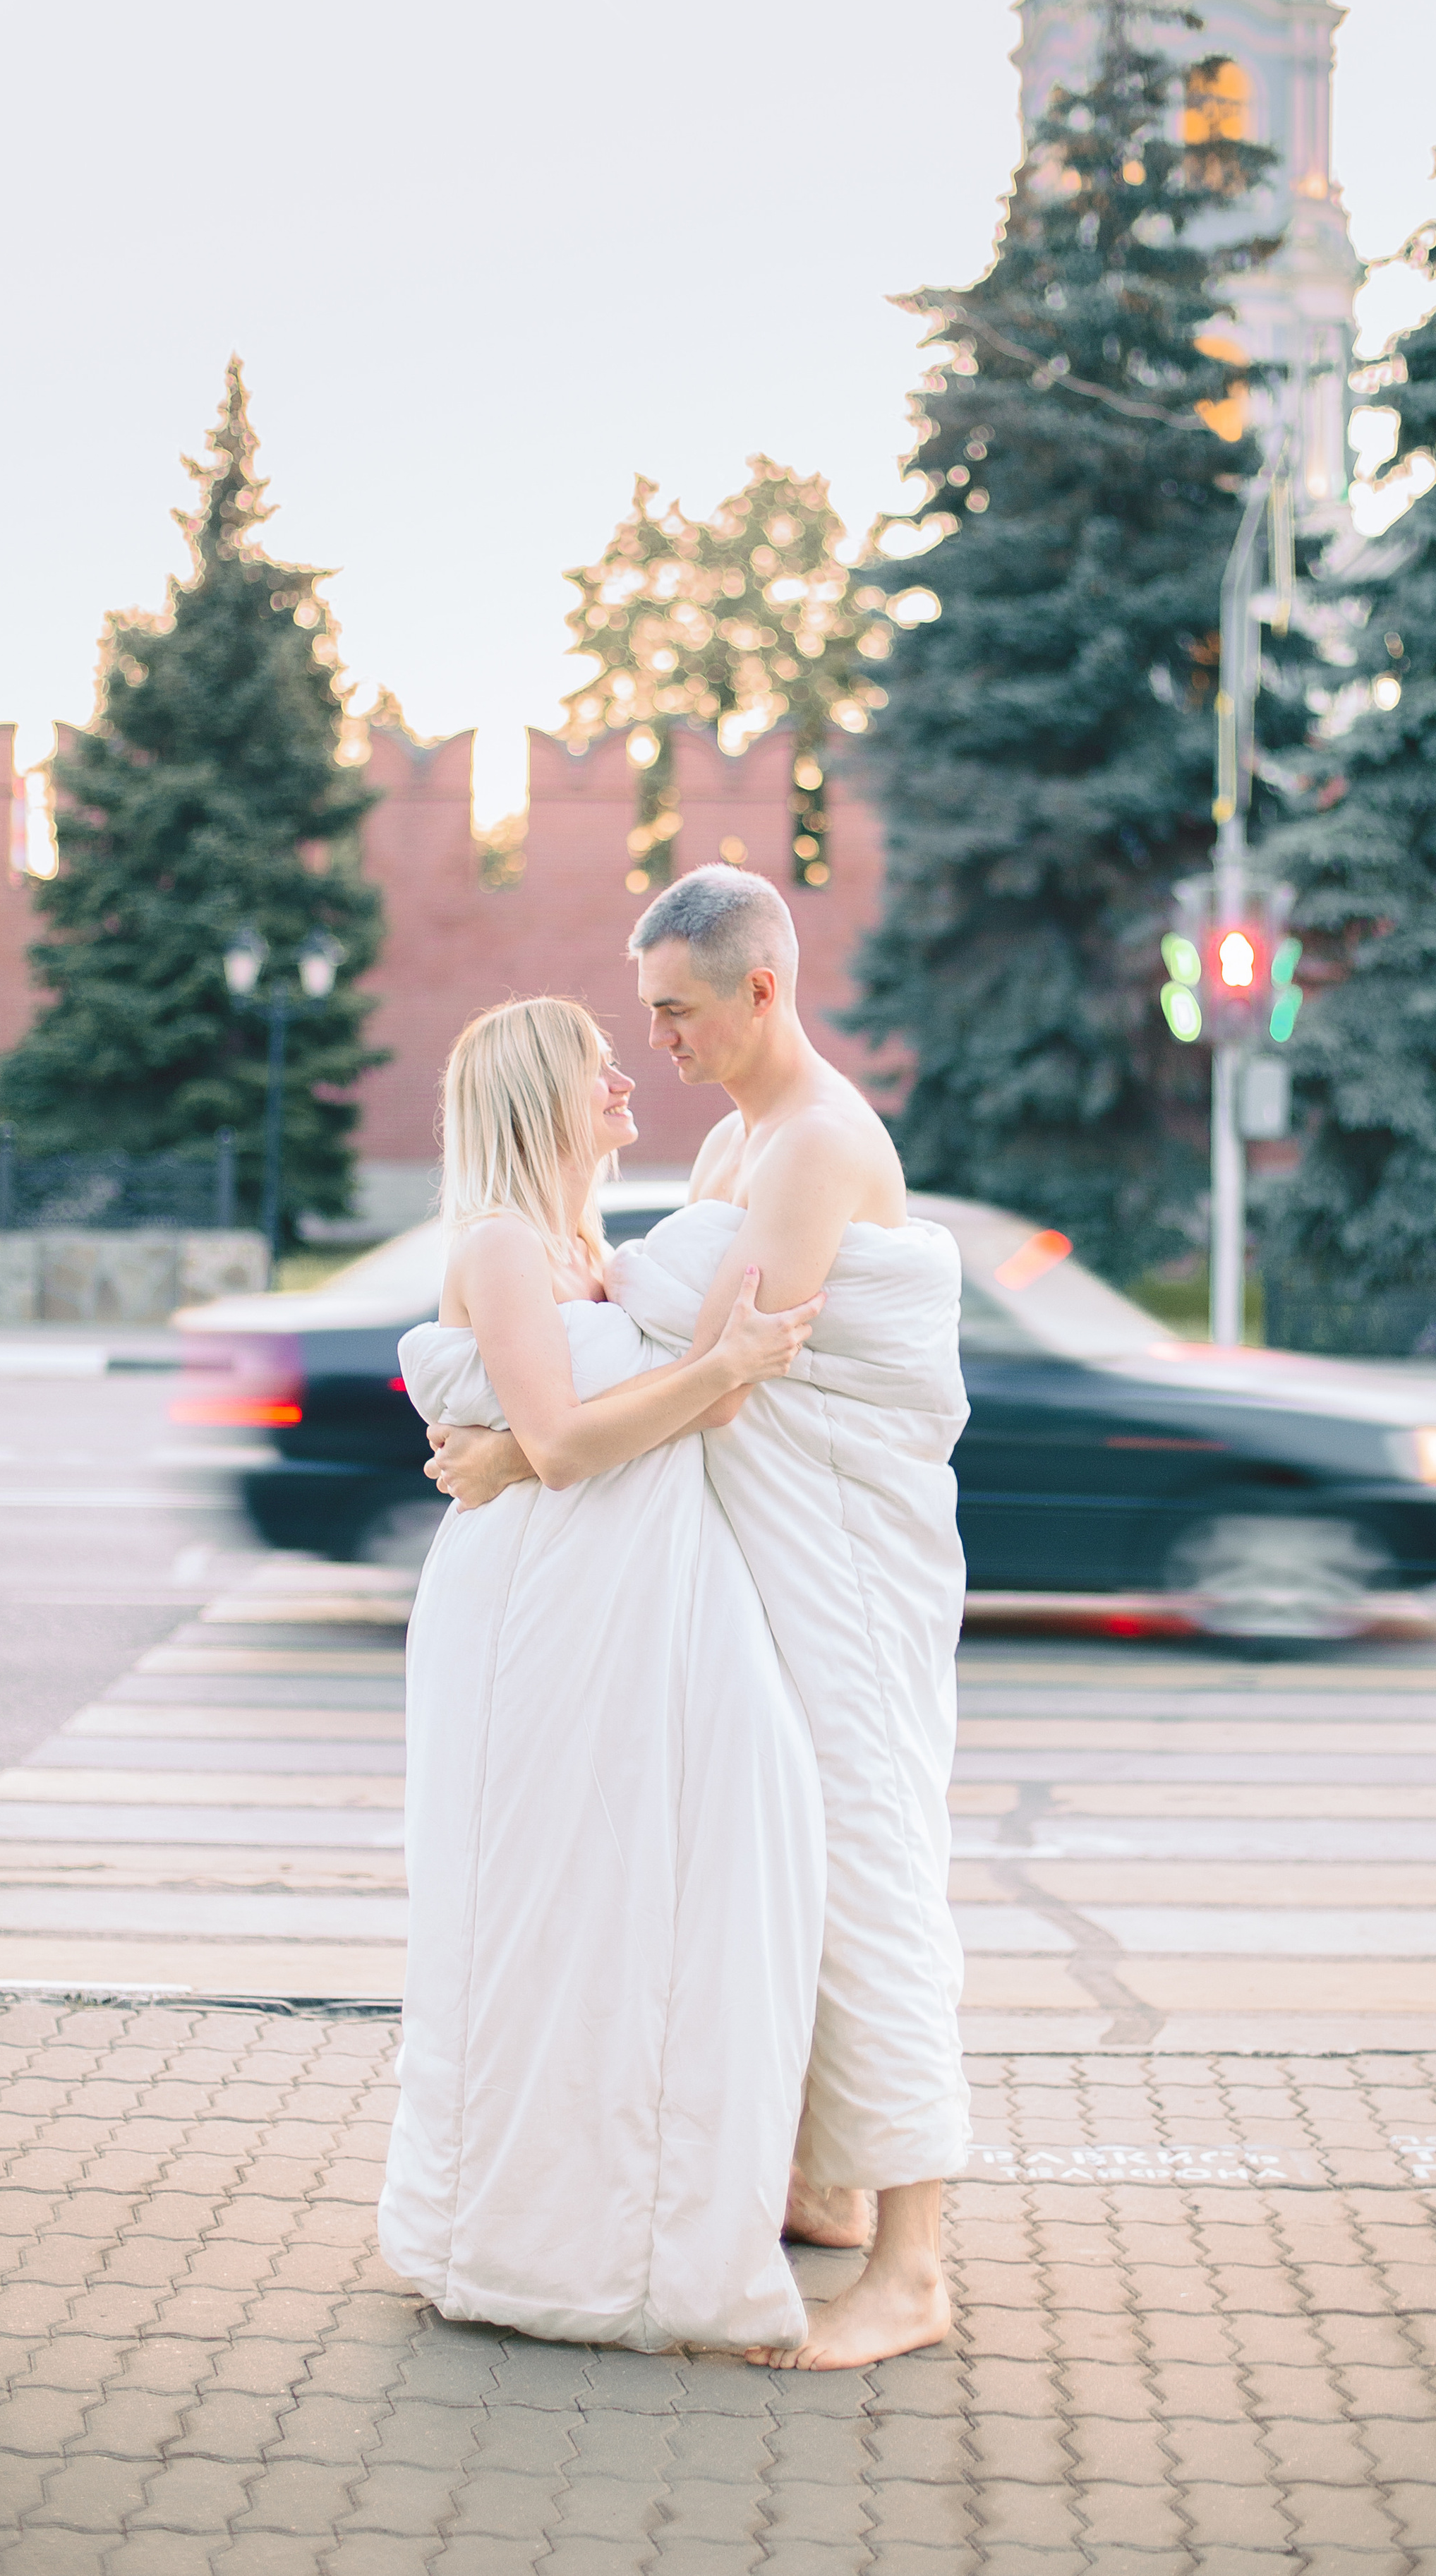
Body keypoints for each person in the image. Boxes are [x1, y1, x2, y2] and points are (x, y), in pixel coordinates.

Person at [427, 873, 972, 2371]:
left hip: (844, 1561)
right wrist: (524, 1425)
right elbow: (648, 1337)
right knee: (781, 1844)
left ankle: (914, 2264)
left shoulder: (811, 1148)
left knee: (864, 1858)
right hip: (764, 1545)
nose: (651, 1038)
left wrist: (513, 1445)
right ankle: (823, 2184)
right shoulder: (741, 1139)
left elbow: (726, 1370)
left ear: (757, 990)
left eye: (671, 1009)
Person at [380, 995, 828, 2354]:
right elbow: (571, 1443)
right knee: (540, 1918)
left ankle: (649, 2214)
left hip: (631, 1597)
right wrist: (706, 1370)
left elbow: (625, 1418)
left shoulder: (590, 1252)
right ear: (539, 1098)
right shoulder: (506, 1248)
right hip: (535, 1616)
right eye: (599, 1067)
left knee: (635, 1911)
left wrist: (716, 1366)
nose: (629, 1077)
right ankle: (523, 2245)